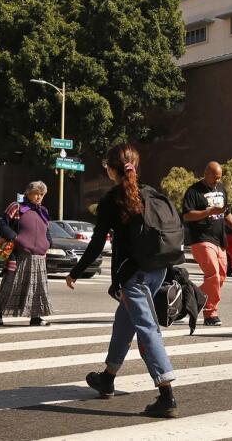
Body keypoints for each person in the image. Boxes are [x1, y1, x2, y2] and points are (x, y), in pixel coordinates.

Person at [66, 143, 178, 418]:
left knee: (147, 329)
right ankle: (108, 376)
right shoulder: (151, 192)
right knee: (124, 323)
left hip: (133, 277)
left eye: (106, 164)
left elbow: (95, 244)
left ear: (112, 169)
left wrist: (75, 272)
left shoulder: (111, 201)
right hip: (158, 270)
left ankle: (166, 394)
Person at [181, 161, 232, 326]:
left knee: (220, 278)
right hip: (201, 239)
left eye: (219, 178)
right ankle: (210, 314)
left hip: (220, 240)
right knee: (213, 275)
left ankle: (189, 299)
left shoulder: (221, 189)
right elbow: (187, 215)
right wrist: (208, 211)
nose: (217, 181)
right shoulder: (194, 191)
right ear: (206, 173)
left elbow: (227, 213)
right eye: (214, 178)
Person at [0, 181, 53, 327]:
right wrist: (15, 238)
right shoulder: (16, 207)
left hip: (39, 256)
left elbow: (47, 230)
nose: (39, 197)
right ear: (28, 193)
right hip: (19, 255)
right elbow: (2, 224)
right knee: (10, 284)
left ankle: (36, 317)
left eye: (42, 194)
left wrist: (48, 243)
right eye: (36, 193)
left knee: (37, 288)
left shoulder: (43, 211)